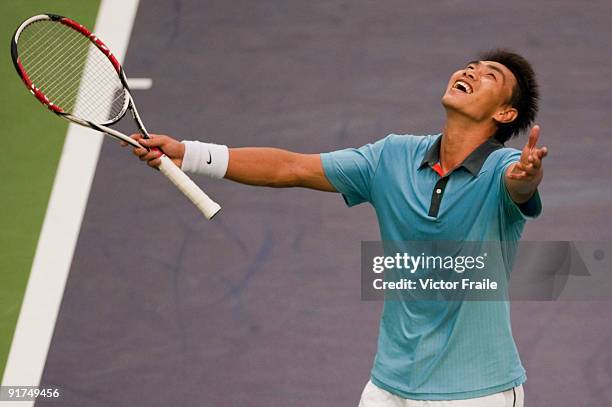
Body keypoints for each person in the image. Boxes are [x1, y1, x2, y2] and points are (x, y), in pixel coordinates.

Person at [126, 49, 548, 407]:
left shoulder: (502, 170)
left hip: (476, 391)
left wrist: (527, 176)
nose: (470, 72)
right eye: (469, 67)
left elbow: (519, 185)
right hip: (390, 384)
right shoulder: (392, 157)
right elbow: (291, 167)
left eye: (489, 75)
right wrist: (188, 153)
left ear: (505, 113)